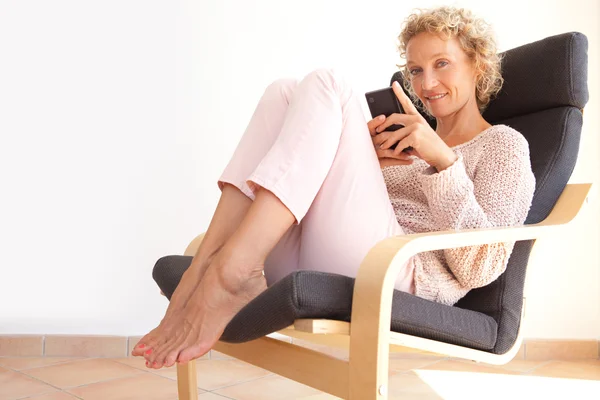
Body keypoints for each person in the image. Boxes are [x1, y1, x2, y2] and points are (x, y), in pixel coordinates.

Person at [132, 6, 536, 369]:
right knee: (283, 91)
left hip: (396, 272)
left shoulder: (503, 145)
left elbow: (481, 267)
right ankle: (206, 266)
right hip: (320, 251)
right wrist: (366, 164)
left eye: (442, 63)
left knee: (329, 83)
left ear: (477, 66)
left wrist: (443, 161)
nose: (426, 82)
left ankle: (231, 271)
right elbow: (350, 208)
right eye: (415, 70)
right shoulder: (406, 142)